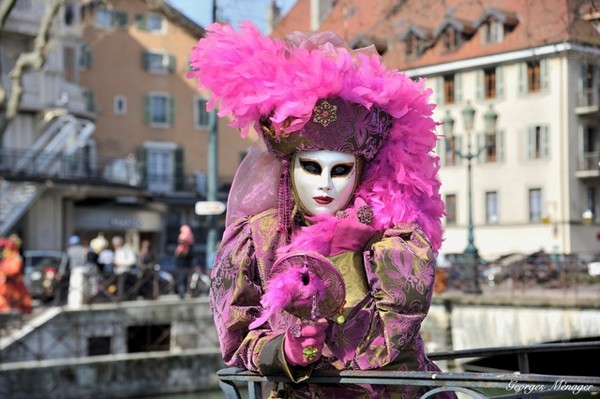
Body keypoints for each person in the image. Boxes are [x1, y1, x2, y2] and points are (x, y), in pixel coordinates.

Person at [188, 22, 455, 398]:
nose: (325, 184)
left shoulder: (395, 235)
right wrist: (285, 351)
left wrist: (352, 255)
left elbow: (391, 341)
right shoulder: (259, 238)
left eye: (340, 170)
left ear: (359, 171)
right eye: (312, 168)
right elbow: (236, 336)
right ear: (290, 168)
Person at [0, 234, 32, 314]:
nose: (4, 251)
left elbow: (14, 270)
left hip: (14, 286)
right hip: (7, 286)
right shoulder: (7, 259)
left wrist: (5, 273)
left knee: (16, 302)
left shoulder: (16, 258)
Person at [58, 235, 89, 308]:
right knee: (83, 288)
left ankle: (75, 305)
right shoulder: (83, 249)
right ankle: (84, 303)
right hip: (84, 270)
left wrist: (61, 273)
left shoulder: (70, 250)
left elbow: (64, 263)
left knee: (74, 288)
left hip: (75, 271)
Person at [112, 235, 137, 300]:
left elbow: (132, 260)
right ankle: (118, 297)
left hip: (125, 271)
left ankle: (121, 298)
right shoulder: (117, 250)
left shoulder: (127, 249)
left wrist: (121, 263)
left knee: (122, 285)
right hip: (118, 272)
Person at [174, 225, 194, 299]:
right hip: (181, 267)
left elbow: (189, 256)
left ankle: (183, 294)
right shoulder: (180, 248)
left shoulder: (188, 249)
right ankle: (182, 294)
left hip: (185, 267)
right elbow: (177, 255)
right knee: (182, 281)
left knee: (184, 281)